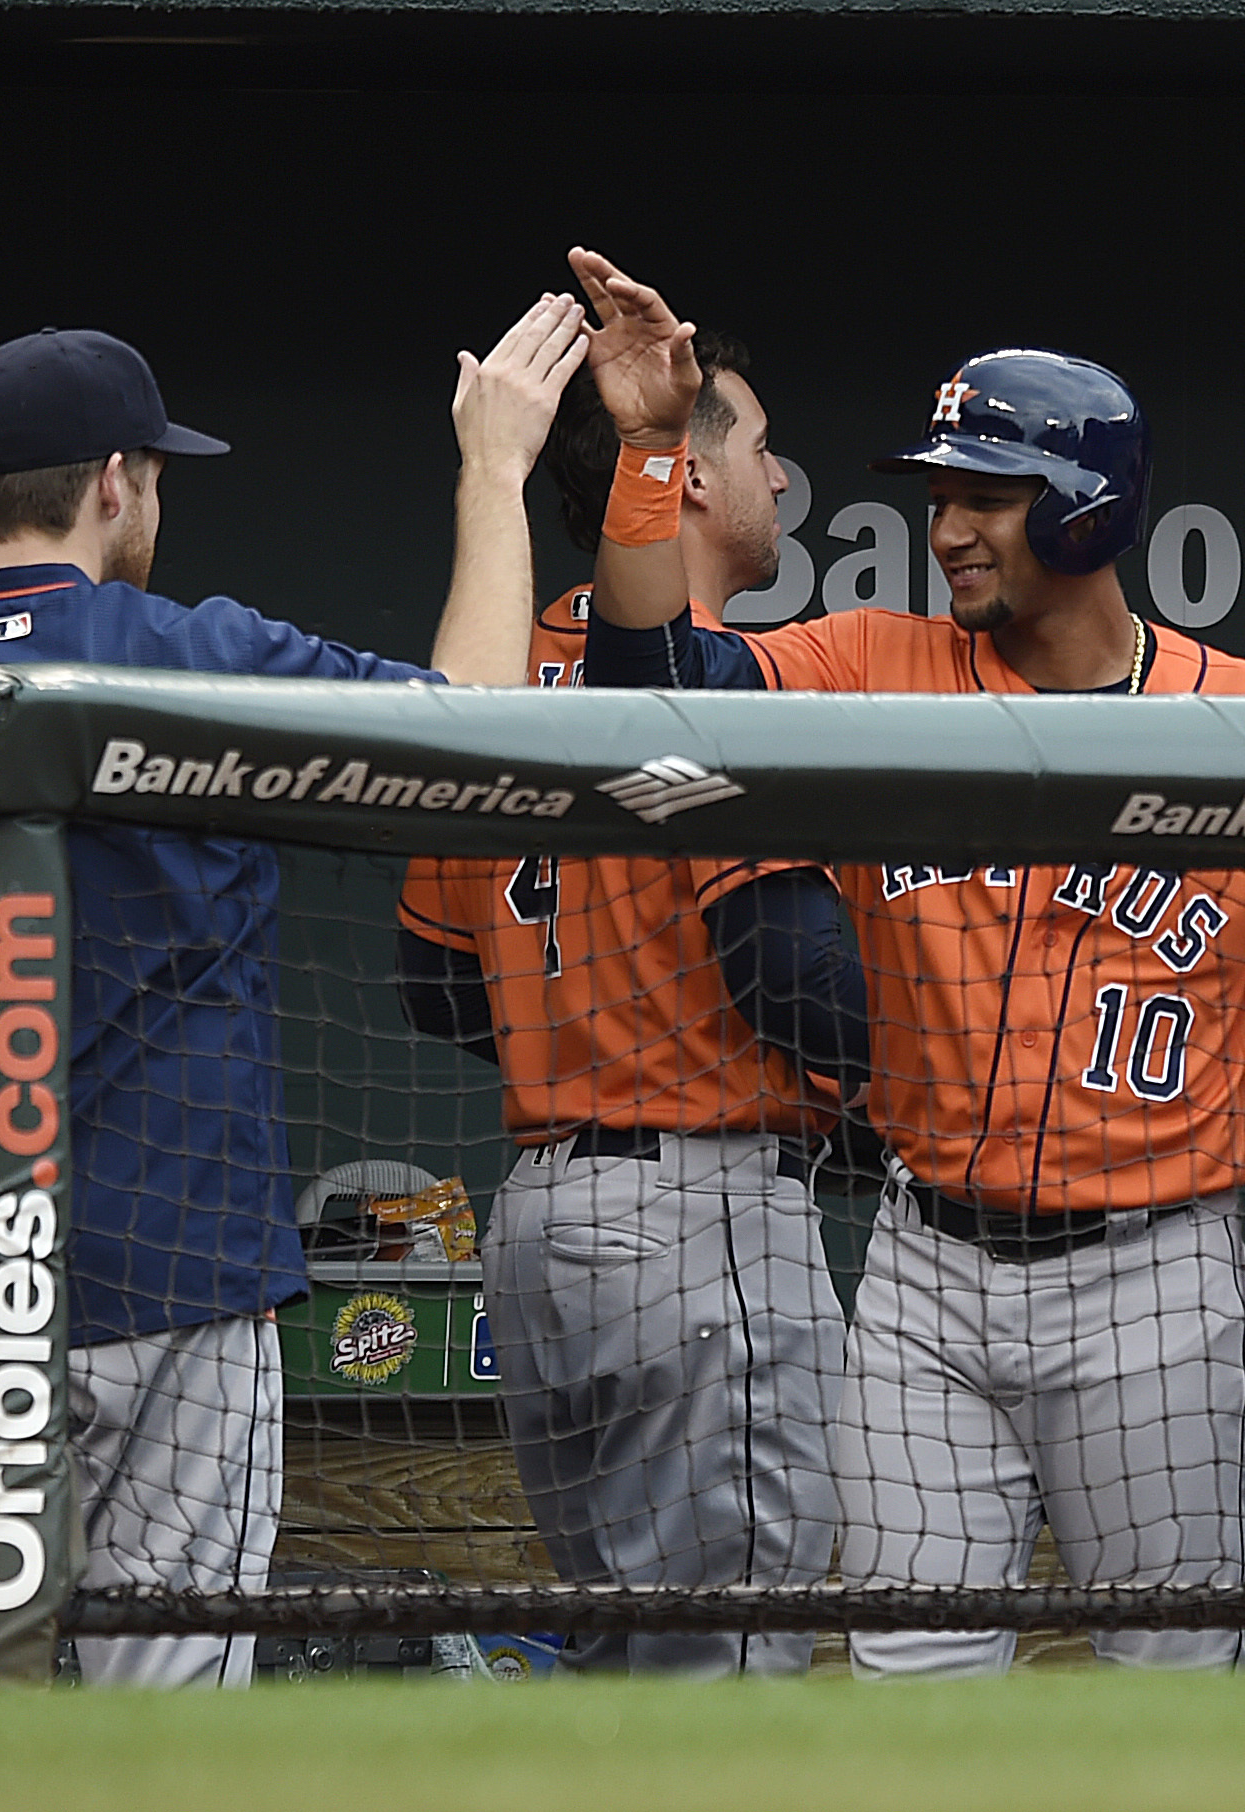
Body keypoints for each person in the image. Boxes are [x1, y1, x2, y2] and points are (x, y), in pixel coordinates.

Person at [0, 303, 588, 1690]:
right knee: (162, 1754)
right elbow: (471, 746)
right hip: (184, 1289)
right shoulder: (201, 654)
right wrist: (492, 472)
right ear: (117, 482)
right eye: (158, 473)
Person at [569, 248, 1245, 1677]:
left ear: (1087, 504)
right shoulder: (870, 662)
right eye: (939, 493)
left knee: (1177, 1704)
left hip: (1155, 1278)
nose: (946, 525)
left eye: (985, 494)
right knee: (914, 1706)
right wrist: (650, 446)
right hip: (922, 1270)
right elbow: (648, 676)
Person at [396, 337, 868, 1677]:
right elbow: (781, 965)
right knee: (728, 1677)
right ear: (695, 483)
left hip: (545, 1229)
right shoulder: (705, 677)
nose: (780, 473)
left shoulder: (499, 665)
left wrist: (598, 1019)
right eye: (761, 447)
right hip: (699, 1218)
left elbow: (433, 979)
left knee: (621, 1668)